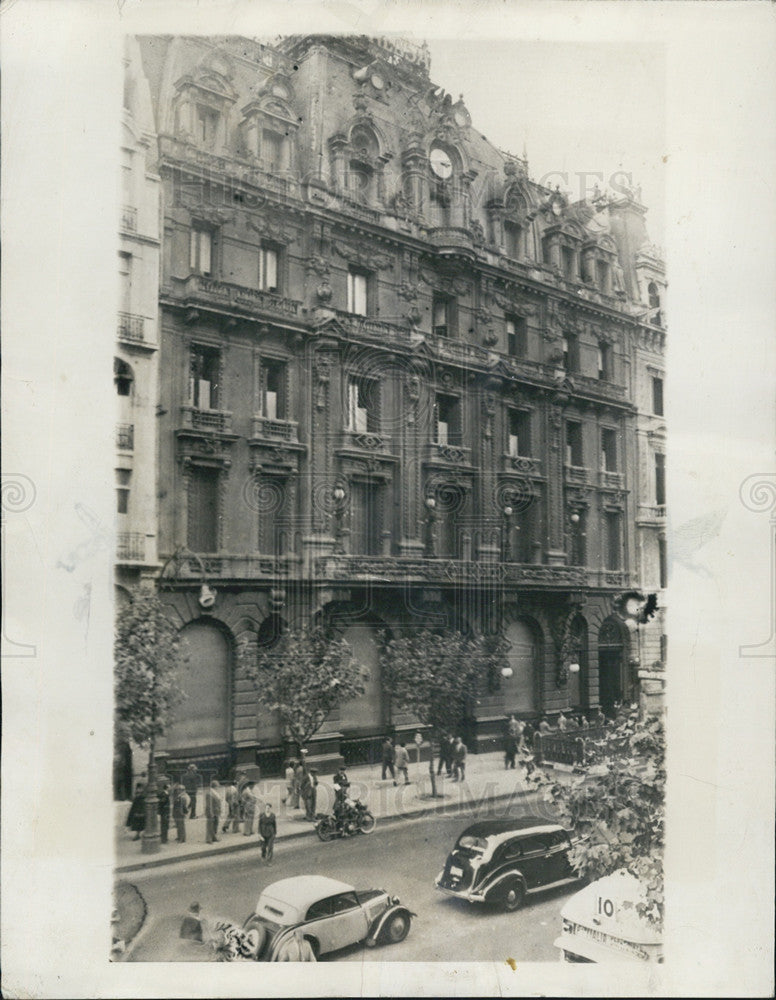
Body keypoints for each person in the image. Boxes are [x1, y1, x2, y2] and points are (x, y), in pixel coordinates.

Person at [205, 780, 222, 844]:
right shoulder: (209, 793)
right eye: (218, 786)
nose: (218, 787)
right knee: (210, 825)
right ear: (215, 786)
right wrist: (211, 813)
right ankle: (209, 839)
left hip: (216, 811)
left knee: (215, 825)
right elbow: (209, 805)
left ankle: (214, 837)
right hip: (211, 812)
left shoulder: (215, 792)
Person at [158, 780, 171, 844]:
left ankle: (164, 838)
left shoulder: (165, 793)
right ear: (167, 788)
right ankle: (164, 839)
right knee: (164, 825)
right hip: (164, 812)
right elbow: (162, 802)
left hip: (165, 812)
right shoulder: (164, 794)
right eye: (169, 787)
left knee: (165, 825)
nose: (170, 788)